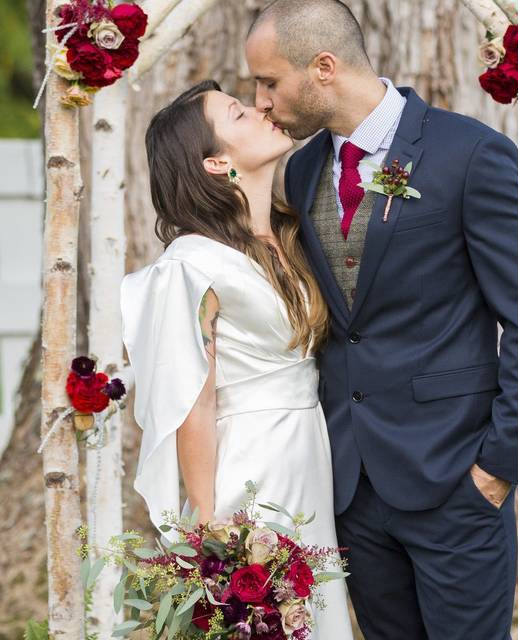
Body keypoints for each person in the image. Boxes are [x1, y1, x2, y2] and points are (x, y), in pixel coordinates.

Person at [245, 1, 518, 638]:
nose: (260, 102)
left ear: (324, 68)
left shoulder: (470, 154)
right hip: (353, 490)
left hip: (457, 479)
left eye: (269, 82)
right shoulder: (304, 169)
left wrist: (498, 468)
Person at [119, 79, 354, 638]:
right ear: (216, 162)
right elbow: (193, 403)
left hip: (308, 453)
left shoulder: (289, 236)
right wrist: (208, 523)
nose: (260, 109)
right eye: (238, 113)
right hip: (251, 465)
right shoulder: (192, 265)